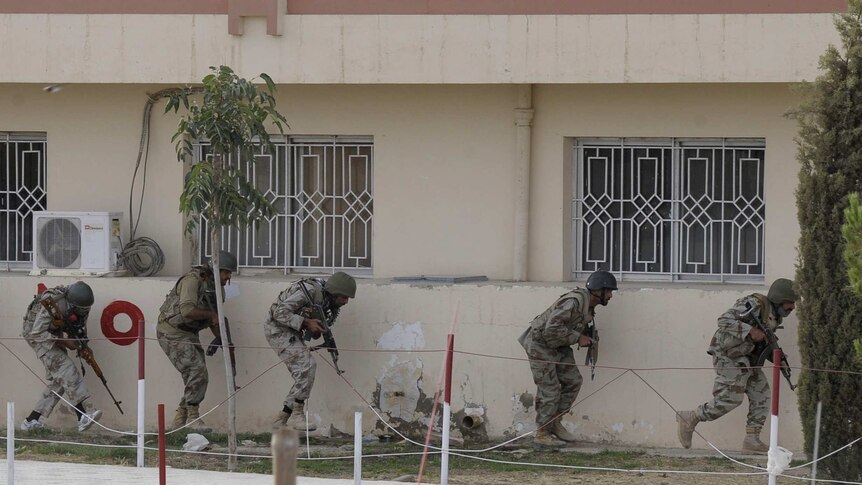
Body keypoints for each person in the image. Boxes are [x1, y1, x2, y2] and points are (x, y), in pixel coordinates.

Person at [676, 278, 798, 453]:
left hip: (747, 357)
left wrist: (778, 358)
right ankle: (691, 417)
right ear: (780, 298)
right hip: (728, 355)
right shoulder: (754, 304)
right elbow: (724, 320)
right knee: (730, 399)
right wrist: (750, 331)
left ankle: (752, 440)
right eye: (790, 303)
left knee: (761, 395)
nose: (792, 307)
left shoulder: (774, 316)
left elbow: (763, 342)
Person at [518, 270, 617, 446]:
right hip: (540, 345)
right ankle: (542, 433)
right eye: (608, 291)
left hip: (558, 346)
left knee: (573, 381)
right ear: (597, 290)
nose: (610, 296)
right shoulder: (574, 302)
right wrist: (578, 338)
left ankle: (554, 422)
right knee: (550, 389)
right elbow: (551, 329)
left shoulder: (588, 305)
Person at [266, 272, 356, 431]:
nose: (346, 302)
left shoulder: (326, 302)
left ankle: (282, 419)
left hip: (292, 332)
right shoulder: (310, 290)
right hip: (277, 330)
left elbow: (312, 327)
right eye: (344, 297)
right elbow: (279, 313)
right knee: (307, 366)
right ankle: (297, 415)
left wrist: (316, 330)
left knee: (304, 373)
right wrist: (307, 322)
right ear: (335, 292)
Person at [157, 250, 237, 428]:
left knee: (195, 375)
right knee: (197, 371)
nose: (229, 276)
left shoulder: (217, 289)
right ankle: (193, 417)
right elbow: (187, 311)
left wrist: (225, 343)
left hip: (189, 334)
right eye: (226, 272)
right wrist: (212, 315)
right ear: (216, 270)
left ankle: (180, 419)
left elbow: (213, 319)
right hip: (172, 331)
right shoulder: (192, 280)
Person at [20, 281, 103, 432]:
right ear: (71, 304)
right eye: (80, 310)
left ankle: (31, 421)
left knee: (60, 379)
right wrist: (65, 341)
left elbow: (79, 328)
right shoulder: (55, 303)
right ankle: (83, 415)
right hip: (36, 334)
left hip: (52, 331)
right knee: (66, 370)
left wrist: (84, 347)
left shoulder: (81, 307)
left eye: (86, 310)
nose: (83, 312)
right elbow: (36, 333)